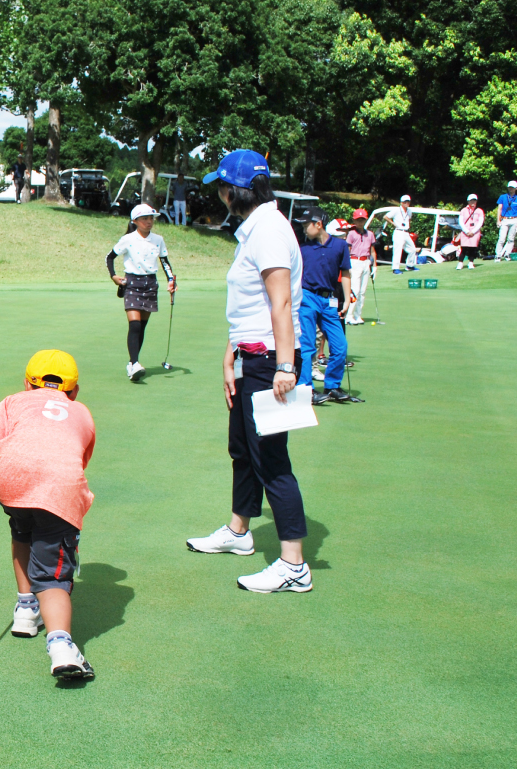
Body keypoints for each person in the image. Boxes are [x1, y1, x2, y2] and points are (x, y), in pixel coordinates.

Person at [187, 149, 313, 594]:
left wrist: (283, 366)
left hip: (268, 363)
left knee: (272, 462)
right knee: (242, 450)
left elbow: (280, 302)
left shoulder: (271, 232)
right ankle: (240, 532)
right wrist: (230, 355)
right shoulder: (253, 230)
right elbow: (250, 306)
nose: (218, 194)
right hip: (249, 356)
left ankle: (294, 565)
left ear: (236, 190)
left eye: (221, 187)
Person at [0, 350, 96, 679]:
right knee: (53, 576)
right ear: (73, 391)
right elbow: (78, 458)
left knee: (22, 533)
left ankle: (26, 610)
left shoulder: (12, 401)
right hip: (59, 491)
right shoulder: (81, 411)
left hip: (14, 484)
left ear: (27, 384)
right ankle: (61, 647)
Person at [106, 203, 177, 381]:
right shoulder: (128, 239)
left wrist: (171, 280)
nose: (149, 221)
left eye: (151, 218)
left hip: (150, 283)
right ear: (135, 221)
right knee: (135, 325)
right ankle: (135, 363)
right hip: (132, 282)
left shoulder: (158, 239)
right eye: (145, 218)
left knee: (142, 327)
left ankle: (132, 363)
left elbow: (165, 261)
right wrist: (114, 276)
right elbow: (110, 257)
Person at [297, 209, 350, 405]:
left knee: (340, 346)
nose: (304, 229)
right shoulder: (303, 249)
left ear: (318, 224)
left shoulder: (340, 246)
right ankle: (306, 389)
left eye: (306, 225)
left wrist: (346, 301)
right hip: (307, 297)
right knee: (308, 345)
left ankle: (332, 386)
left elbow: (345, 273)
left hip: (329, 300)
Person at [344, 209, 377, 325]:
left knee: (362, 292)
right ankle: (349, 315)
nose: (360, 222)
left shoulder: (370, 234)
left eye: (362, 220)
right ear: (354, 220)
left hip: (366, 262)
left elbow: (372, 251)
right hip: (354, 261)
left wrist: (375, 266)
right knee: (355, 291)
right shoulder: (351, 234)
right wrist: (347, 265)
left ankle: (358, 315)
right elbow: (347, 251)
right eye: (358, 220)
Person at [386, 194, 417, 273]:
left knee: (412, 249)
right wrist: (394, 224)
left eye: (408, 202)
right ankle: (395, 268)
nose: (407, 203)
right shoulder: (397, 210)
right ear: (401, 203)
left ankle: (410, 265)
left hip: (406, 232)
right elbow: (386, 216)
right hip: (398, 231)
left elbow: (409, 219)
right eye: (405, 202)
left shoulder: (409, 211)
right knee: (398, 250)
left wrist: (408, 227)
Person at [456, 194, 484, 270]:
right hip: (465, 232)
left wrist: (473, 231)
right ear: (468, 201)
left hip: (475, 232)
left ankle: (471, 262)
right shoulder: (463, 210)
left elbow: (480, 222)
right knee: (464, 248)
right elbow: (461, 222)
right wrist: (467, 231)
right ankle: (460, 263)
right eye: (471, 200)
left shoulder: (479, 211)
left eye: (474, 200)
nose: (473, 202)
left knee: (473, 248)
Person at [496, 181, 517, 262]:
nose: (510, 189)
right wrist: (498, 220)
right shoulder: (503, 197)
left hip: (514, 219)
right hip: (504, 219)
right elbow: (499, 209)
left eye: (512, 187)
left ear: (516, 188)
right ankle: (498, 255)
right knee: (501, 238)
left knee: (511, 239)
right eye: (509, 187)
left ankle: (507, 254)